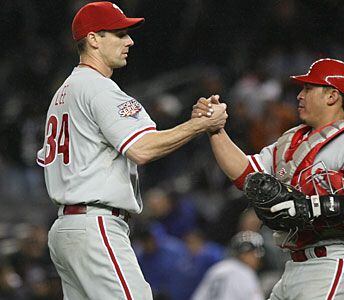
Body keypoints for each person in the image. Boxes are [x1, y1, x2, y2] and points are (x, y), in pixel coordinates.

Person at [36, 2, 227, 300]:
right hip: (95, 225)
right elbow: (142, 149)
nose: (130, 41)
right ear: (94, 39)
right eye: (120, 34)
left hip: (67, 228)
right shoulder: (99, 88)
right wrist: (200, 125)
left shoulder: (65, 91)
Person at [192, 58, 344, 299]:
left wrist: (311, 206)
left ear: (332, 96)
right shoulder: (290, 142)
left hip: (332, 262)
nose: (299, 95)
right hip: (294, 265)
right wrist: (214, 129)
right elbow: (245, 175)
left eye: (309, 88)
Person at [191, 230, 265, 300]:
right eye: (254, 254)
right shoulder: (244, 273)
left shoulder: (217, 268)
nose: (257, 259)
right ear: (244, 254)